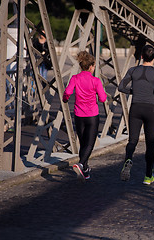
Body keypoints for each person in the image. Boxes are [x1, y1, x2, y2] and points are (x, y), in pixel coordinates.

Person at [118, 44, 154, 185]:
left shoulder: (133, 70)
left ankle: (128, 158)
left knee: (132, 140)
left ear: (141, 56)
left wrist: (133, 91)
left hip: (136, 108)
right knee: (150, 144)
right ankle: (148, 176)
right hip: (151, 109)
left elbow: (121, 87)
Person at [63, 51, 107, 182]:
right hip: (92, 115)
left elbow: (67, 92)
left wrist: (65, 99)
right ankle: (81, 164)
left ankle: (85, 170)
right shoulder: (96, 81)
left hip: (79, 115)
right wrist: (98, 97)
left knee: (83, 143)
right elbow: (103, 99)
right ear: (91, 66)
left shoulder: (75, 78)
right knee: (90, 144)